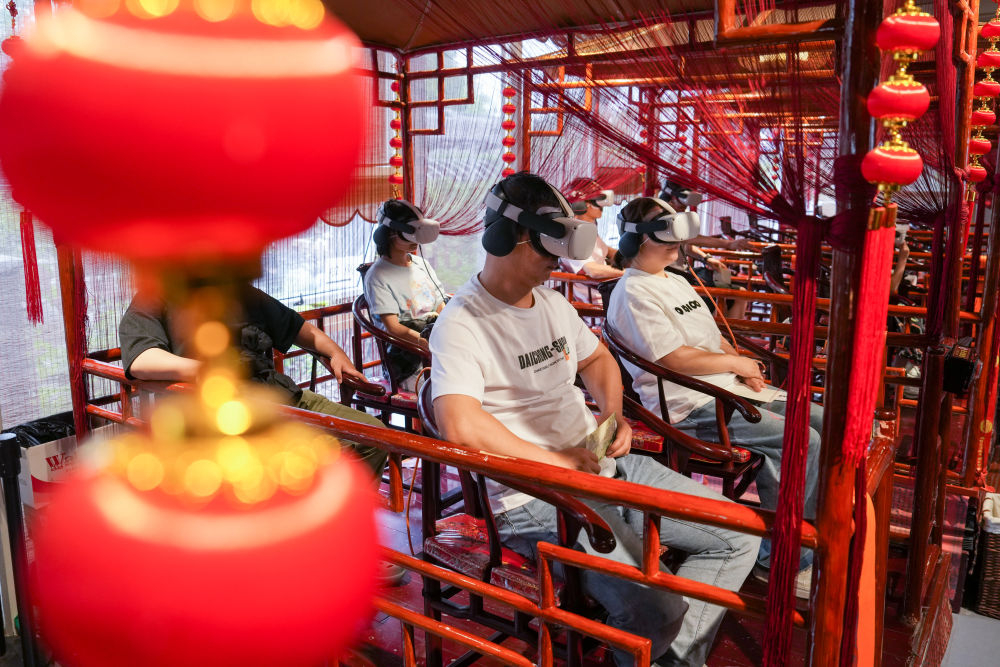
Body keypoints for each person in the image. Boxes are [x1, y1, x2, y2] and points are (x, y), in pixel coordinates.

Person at [429, 172, 758, 667]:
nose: (558, 261)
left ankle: (665, 657)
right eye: (548, 247)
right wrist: (556, 461)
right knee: (656, 610)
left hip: (601, 463)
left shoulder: (552, 303)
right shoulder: (462, 322)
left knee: (740, 534)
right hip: (535, 497)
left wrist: (613, 414)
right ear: (509, 238)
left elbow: (598, 359)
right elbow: (460, 424)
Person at [605, 196, 822, 596]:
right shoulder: (633, 292)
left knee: (823, 419)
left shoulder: (676, 280)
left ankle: (809, 528)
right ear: (636, 240)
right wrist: (736, 365)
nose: (676, 242)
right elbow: (671, 358)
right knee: (802, 440)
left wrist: (740, 364)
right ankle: (782, 560)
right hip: (693, 405)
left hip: (724, 389)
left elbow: (712, 337)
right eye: (664, 233)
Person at [119, 283, 389, 479]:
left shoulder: (241, 291)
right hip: (218, 410)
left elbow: (299, 328)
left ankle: (330, 520)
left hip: (277, 393)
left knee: (374, 436)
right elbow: (141, 359)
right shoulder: (156, 296)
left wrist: (336, 353)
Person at [363, 199, 446, 391]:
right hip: (408, 362)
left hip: (437, 348)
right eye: (410, 233)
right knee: (449, 392)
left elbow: (441, 305)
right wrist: (430, 346)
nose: (415, 240)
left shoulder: (421, 264)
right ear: (389, 233)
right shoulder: (377, 276)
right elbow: (393, 328)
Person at [660, 180, 749, 318]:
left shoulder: (676, 217)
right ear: (671, 199)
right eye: (682, 204)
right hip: (669, 277)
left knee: (740, 294)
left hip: (683, 274)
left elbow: (687, 246)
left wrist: (706, 258)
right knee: (725, 298)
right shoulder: (660, 218)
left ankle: (728, 331)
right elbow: (690, 238)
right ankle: (719, 328)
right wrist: (728, 244)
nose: (685, 208)